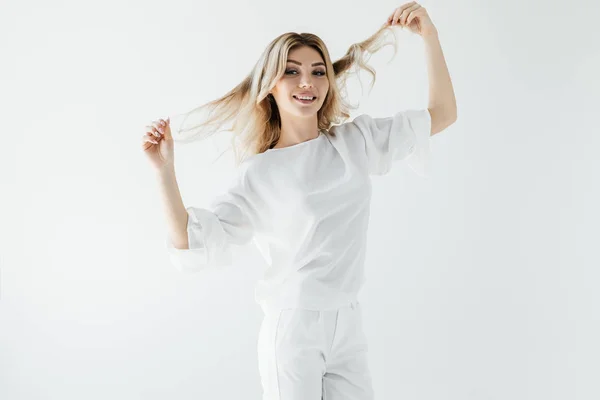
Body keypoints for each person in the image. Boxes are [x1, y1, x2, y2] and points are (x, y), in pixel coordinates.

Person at [141, 2, 456, 399]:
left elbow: (442, 114)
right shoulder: (260, 174)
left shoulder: (356, 142)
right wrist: (164, 172)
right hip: (294, 330)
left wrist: (430, 35)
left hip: (348, 324)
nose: (306, 82)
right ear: (271, 85)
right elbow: (192, 244)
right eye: (291, 71)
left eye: (317, 71)